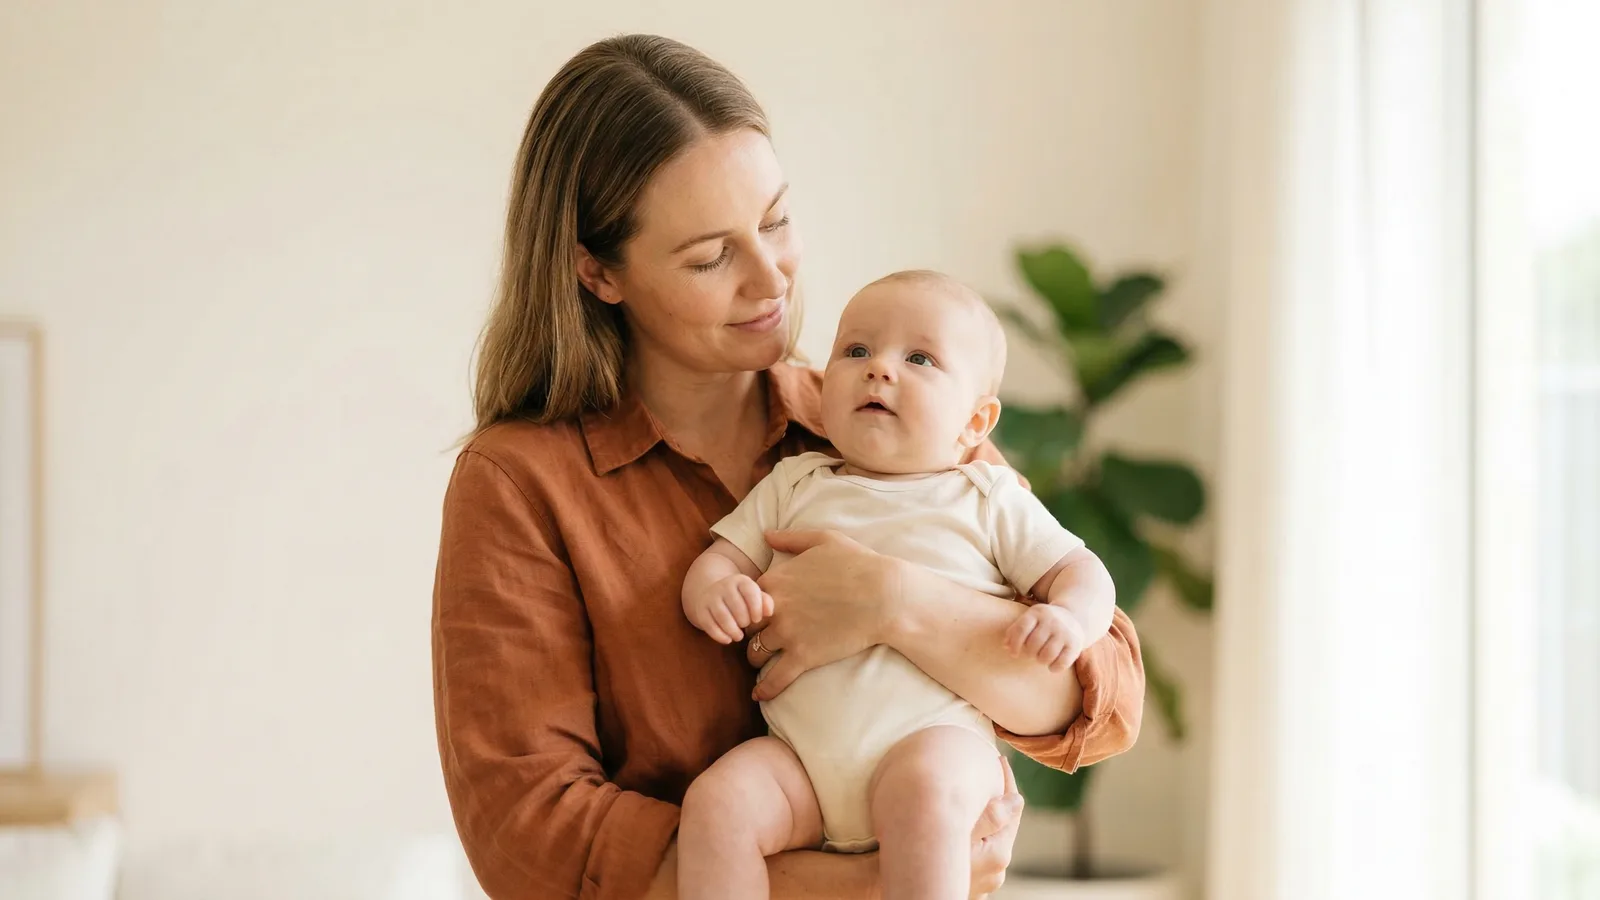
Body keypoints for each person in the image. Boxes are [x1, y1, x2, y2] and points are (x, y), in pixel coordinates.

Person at [431, 34, 1145, 900]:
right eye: (709, 256)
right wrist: (862, 884)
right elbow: (531, 833)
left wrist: (893, 603)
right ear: (597, 273)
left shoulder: (886, 423)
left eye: (774, 220)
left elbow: (1097, 698)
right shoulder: (520, 484)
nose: (771, 277)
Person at [676, 270, 1118, 900]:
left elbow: (1083, 571)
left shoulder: (985, 497)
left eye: (919, 358)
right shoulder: (795, 483)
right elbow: (720, 561)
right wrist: (715, 591)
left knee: (926, 794)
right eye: (855, 350)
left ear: (975, 422)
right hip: (801, 758)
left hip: (933, 745)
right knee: (718, 804)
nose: (879, 368)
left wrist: (1070, 618)